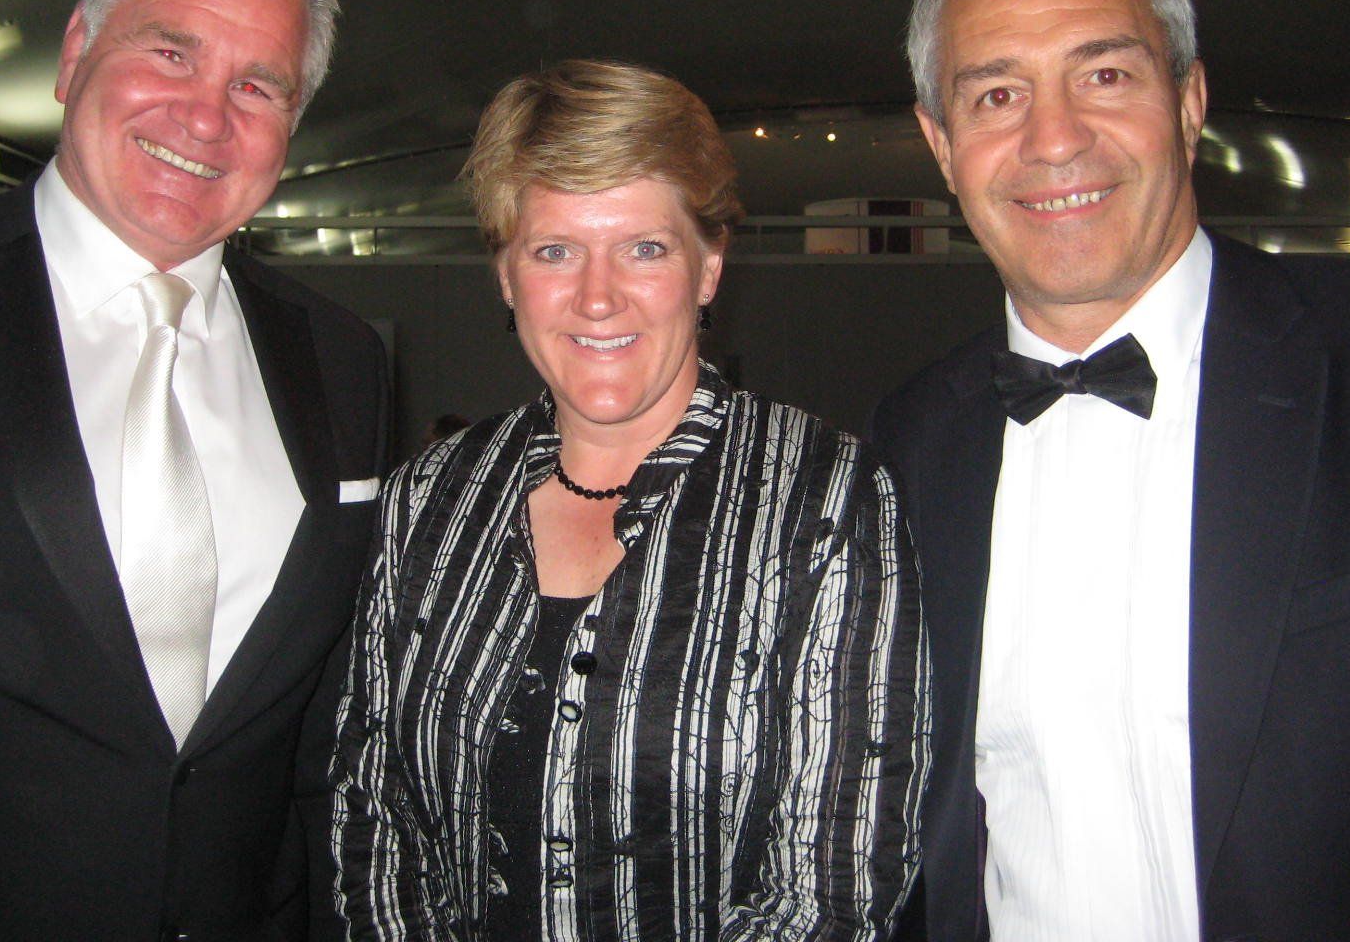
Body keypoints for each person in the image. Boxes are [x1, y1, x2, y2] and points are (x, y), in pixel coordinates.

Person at [872, 0, 1350, 941]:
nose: (1055, 139)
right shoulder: (905, 448)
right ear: (942, 146)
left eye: (1104, 75)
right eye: (997, 93)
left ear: (1187, 100)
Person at [0, 0, 390, 940]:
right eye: (171, 52)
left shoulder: (341, 359)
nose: (205, 115)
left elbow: (311, 725)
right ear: (77, 51)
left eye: (257, 85)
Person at [332, 59, 930, 940]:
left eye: (645, 247)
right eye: (554, 250)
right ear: (505, 275)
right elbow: (373, 815)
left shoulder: (826, 498)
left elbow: (834, 889)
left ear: (709, 265)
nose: (598, 295)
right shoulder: (430, 497)